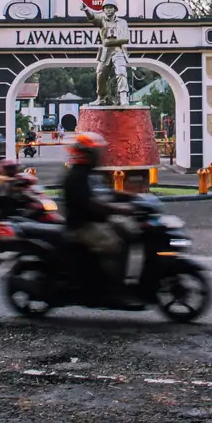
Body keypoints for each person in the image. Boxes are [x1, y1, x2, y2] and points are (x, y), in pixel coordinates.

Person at [61, 131, 140, 308]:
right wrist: (118, 209)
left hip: (96, 222)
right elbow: (90, 204)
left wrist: (132, 197)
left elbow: (106, 193)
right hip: (83, 226)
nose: (98, 156)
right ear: (86, 154)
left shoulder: (89, 174)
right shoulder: (76, 177)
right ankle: (112, 291)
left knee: (128, 231)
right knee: (116, 244)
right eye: (95, 152)